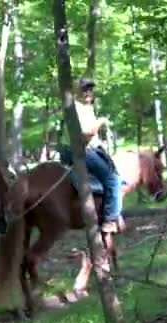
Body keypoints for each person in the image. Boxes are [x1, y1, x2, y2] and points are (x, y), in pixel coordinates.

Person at [74, 77, 124, 234]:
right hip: (84, 152)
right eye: (84, 89)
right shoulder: (77, 108)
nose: (88, 92)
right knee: (113, 179)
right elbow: (86, 134)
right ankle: (109, 220)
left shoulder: (87, 108)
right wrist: (100, 121)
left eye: (90, 89)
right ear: (77, 92)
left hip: (90, 150)